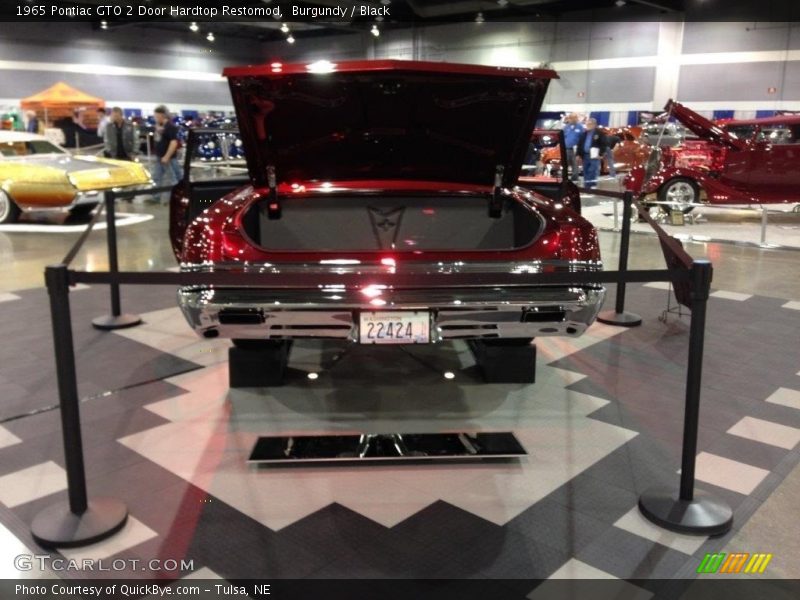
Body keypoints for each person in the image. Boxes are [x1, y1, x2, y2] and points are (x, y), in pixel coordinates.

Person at [151, 104, 182, 203]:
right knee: (156, 178)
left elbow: (174, 142)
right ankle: (156, 197)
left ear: (162, 116)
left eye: (156, 116)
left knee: (173, 179)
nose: (155, 118)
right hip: (159, 157)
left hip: (168, 158)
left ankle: (174, 199)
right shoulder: (159, 127)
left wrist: (167, 156)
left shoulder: (170, 127)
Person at [576, 118, 607, 190]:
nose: (587, 125)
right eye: (587, 124)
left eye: (589, 124)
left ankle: (592, 184)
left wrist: (601, 154)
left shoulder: (599, 133)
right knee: (586, 170)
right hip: (585, 155)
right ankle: (587, 186)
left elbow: (604, 144)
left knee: (593, 170)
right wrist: (578, 154)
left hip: (594, 156)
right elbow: (579, 145)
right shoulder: (584, 134)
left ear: (594, 125)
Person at [562, 113, 584, 182]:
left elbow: (582, 138)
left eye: (574, 118)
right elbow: (563, 137)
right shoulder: (566, 127)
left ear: (576, 118)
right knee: (565, 163)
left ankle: (575, 178)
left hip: (575, 149)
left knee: (575, 163)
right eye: (571, 118)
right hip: (567, 148)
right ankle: (564, 177)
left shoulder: (580, 127)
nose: (572, 119)